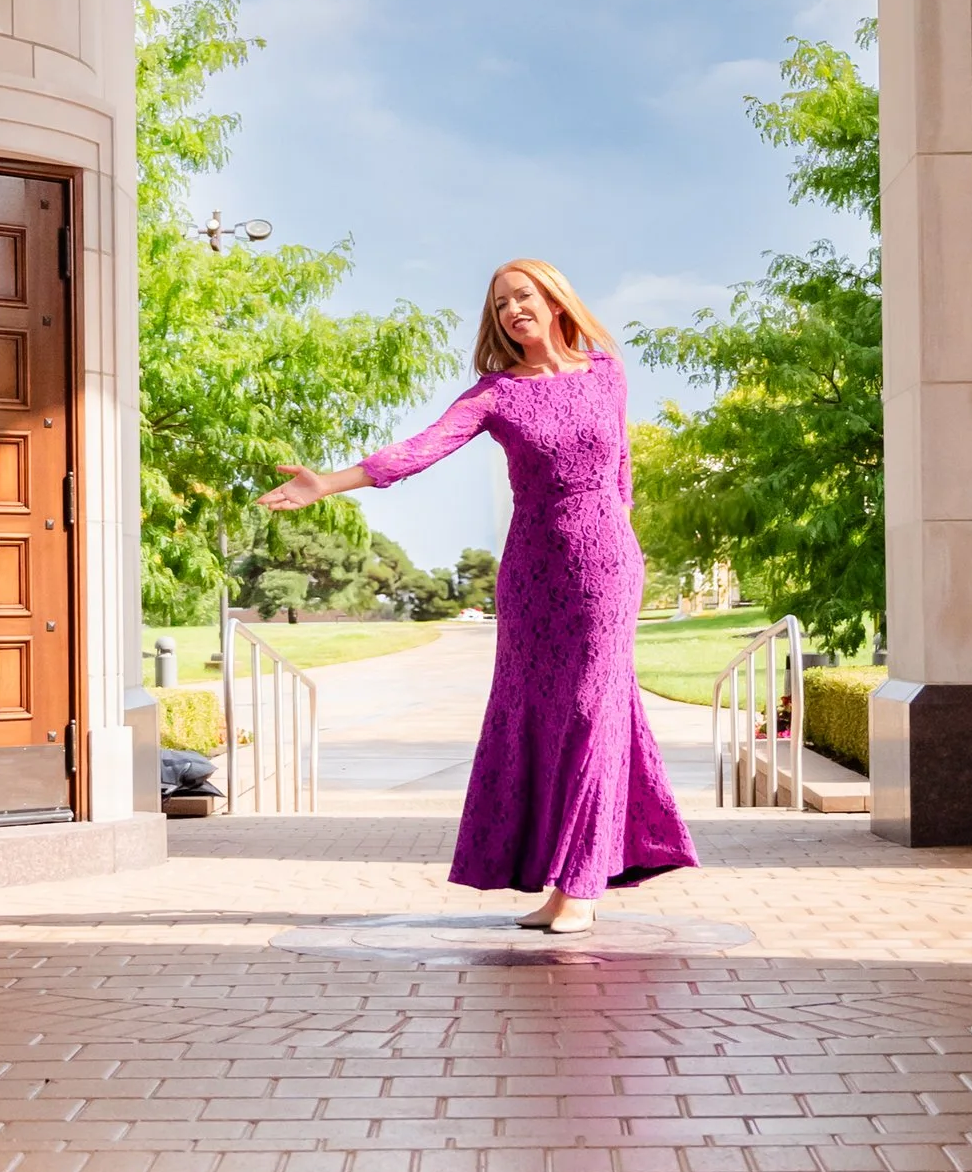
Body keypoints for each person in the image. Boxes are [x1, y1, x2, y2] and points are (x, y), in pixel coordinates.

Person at [260, 257, 697, 932]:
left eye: (524, 295)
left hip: (606, 564)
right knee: (541, 713)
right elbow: (421, 448)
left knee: (592, 706)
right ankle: (556, 883)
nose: (513, 309)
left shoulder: (607, 371)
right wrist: (328, 483)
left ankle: (582, 883)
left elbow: (621, 474)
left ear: (555, 299)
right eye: (501, 304)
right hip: (532, 571)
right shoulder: (497, 393)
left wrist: (625, 549)